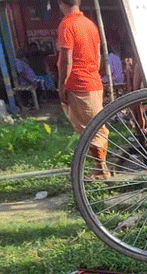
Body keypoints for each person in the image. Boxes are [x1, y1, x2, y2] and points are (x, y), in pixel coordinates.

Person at [56, 0, 110, 179]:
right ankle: (100, 167)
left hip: (79, 84)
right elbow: (98, 55)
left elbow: (66, 60)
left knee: (91, 130)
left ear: (60, 3)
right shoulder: (90, 24)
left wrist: (61, 84)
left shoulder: (67, 25)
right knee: (95, 126)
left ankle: (102, 170)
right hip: (93, 81)